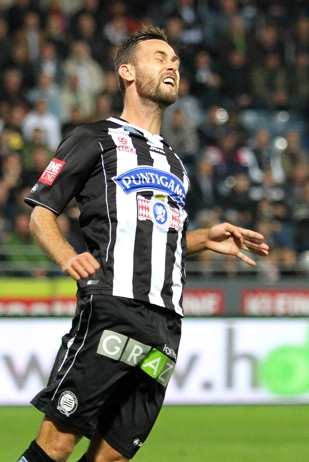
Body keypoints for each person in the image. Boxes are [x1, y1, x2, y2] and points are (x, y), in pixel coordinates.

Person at [16, 26, 269, 462]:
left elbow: (152, 235)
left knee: (113, 455)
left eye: (175, 59)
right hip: (113, 308)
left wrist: (203, 239)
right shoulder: (94, 138)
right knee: (57, 442)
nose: (172, 64)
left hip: (166, 325)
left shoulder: (174, 161)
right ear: (127, 71)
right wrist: (66, 254)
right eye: (159, 57)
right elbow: (41, 212)